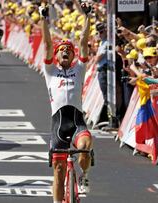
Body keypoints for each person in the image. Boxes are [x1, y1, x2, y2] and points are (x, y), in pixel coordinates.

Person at [40, 3, 93, 203]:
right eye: (61, 50)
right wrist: (44, 19)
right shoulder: (50, 71)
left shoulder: (79, 69)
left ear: (73, 56)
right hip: (59, 126)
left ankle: (84, 175)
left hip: (77, 122)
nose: (64, 52)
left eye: (68, 50)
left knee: (85, 145)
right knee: (59, 170)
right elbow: (46, 44)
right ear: (57, 55)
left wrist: (87, 16)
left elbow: (84, 40)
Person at [94, 21, 109, 123]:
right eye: (98, 32)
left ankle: (109, 117)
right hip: (101, 70)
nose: (100, 34)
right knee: (105, 94)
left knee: (107, 95)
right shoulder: (102, 42)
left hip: (104, 71)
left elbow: (98, 57)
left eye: (102, 32)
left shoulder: (107, 42)